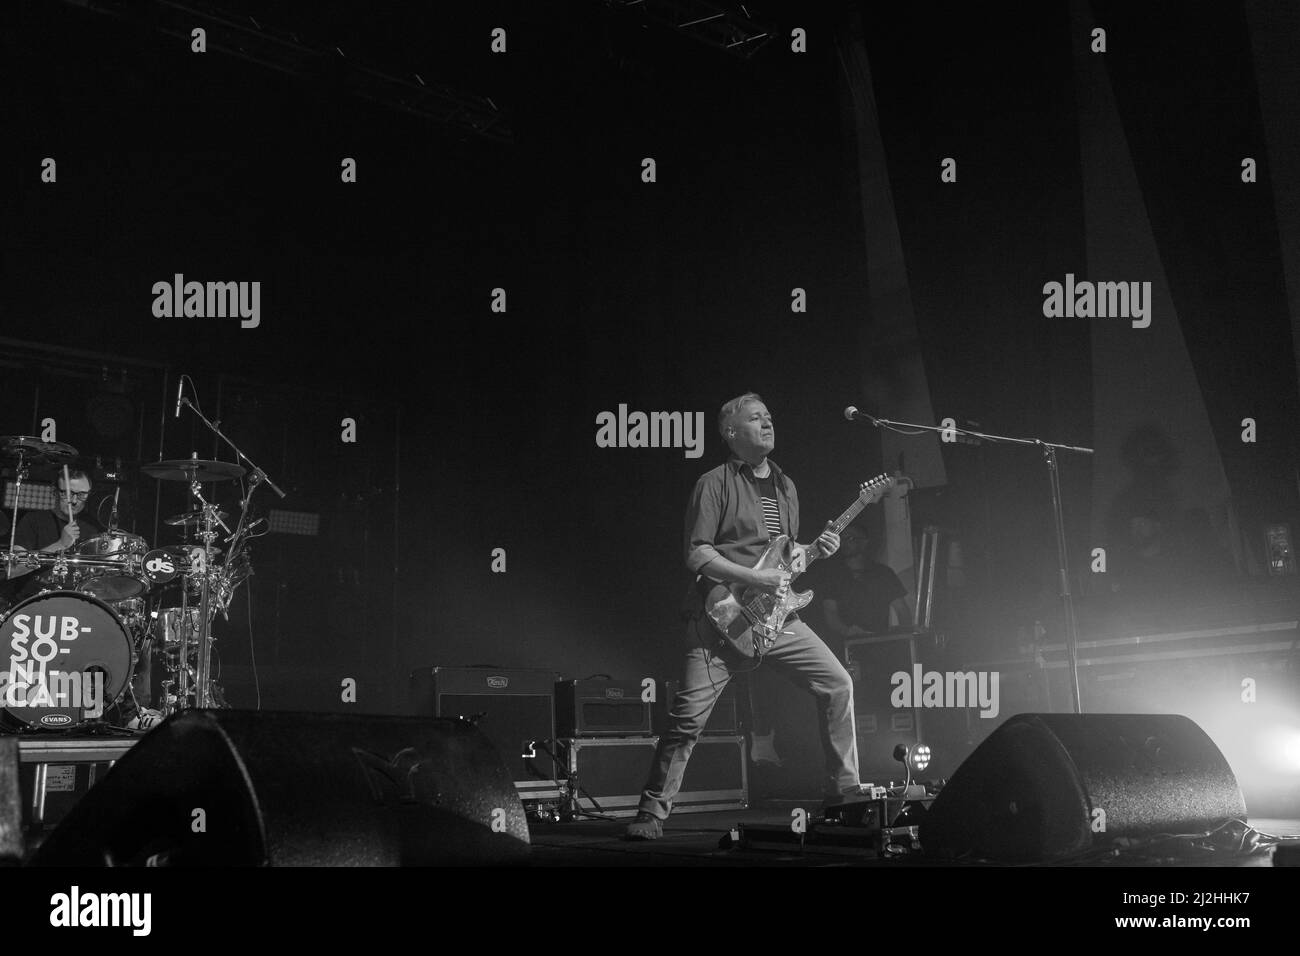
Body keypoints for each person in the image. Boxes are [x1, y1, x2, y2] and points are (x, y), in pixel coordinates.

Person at [625, 392, 862, 840]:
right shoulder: (713, 482)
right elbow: (697, 554)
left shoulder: (786, 486)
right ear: (732, 433)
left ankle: (845, 793)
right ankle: (651, 814)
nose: (768, 423)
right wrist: (754, 581)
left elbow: (784, 559)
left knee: (838, 684)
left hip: (777, 619)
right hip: (722, 616)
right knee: (688, 720)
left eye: (769, 417)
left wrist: (816, 551)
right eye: (756, 418)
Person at [11, 469, 159, 730]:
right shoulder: (32, 520)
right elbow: (13, 568)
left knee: (121, 630)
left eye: (80, 494)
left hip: (76, 612)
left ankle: (109, 715)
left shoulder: (92, 531)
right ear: (55, 493)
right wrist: (60, 543)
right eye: (67, 493)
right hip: (35, 609)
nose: (74, 500)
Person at [817, 522, 912, 650]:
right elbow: (830, 612)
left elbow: (902, 610)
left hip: (881, 645)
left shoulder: (883, 573)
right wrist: (848, 631)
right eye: (842, 539)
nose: (844, 543)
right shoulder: (834, 575)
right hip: (846, 646)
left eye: (850, 538)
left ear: (865, 542)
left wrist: (903, 642)